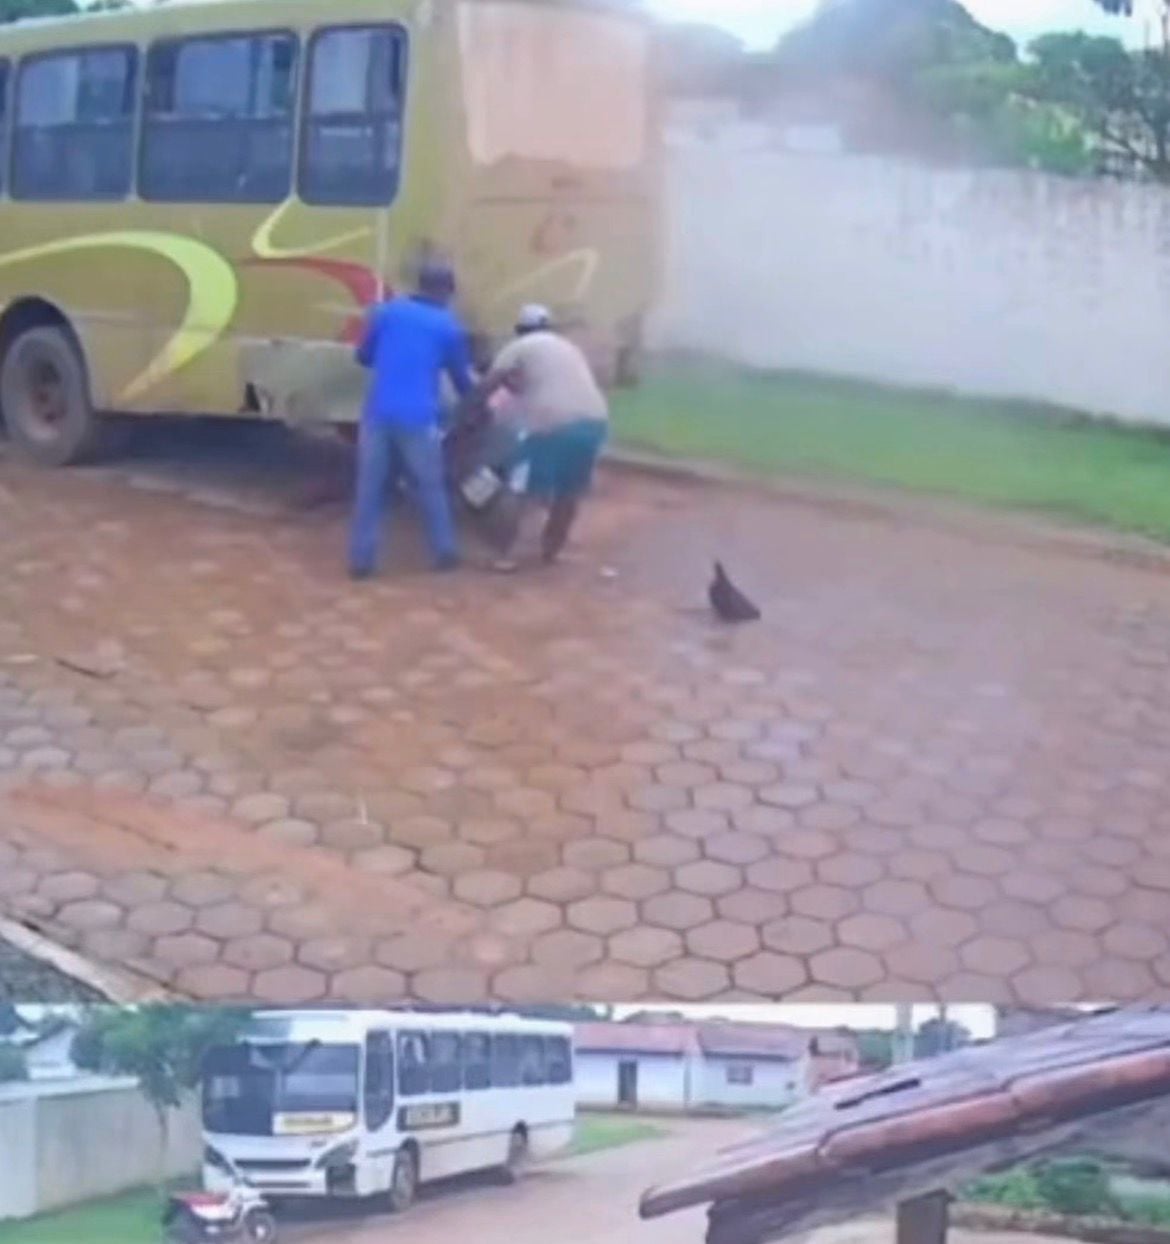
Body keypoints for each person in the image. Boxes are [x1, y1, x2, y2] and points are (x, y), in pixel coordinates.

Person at [348, 261, 473, 579]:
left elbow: (362, 356)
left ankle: (362, 561)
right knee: (430, 485)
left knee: (370, 488)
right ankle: (444, 550)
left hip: (378, 412)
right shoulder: (447, 325)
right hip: (419, 417)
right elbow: (461, 379)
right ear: (446, 291)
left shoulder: (385, 312)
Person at [477, 304, 609, 570]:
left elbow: (488, 383)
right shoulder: (568, 347)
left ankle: (503, 555)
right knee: (569, 491)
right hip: (595, 421)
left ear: (520, 330)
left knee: (517, 488)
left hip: (553, 423)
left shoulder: (520, 347)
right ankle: (552, 551)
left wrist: (472, 409)